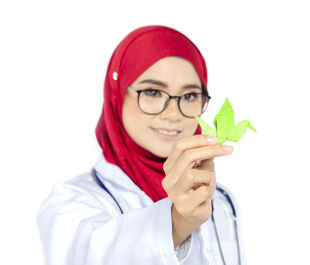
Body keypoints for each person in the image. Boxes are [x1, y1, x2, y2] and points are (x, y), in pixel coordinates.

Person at [37, 25, 245, 265]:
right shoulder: (70, 204)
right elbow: (92, 254)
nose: (172, 114)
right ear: (116, 95)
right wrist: (177, 222)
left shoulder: (218, 199)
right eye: (153, 92)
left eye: (188, 96)